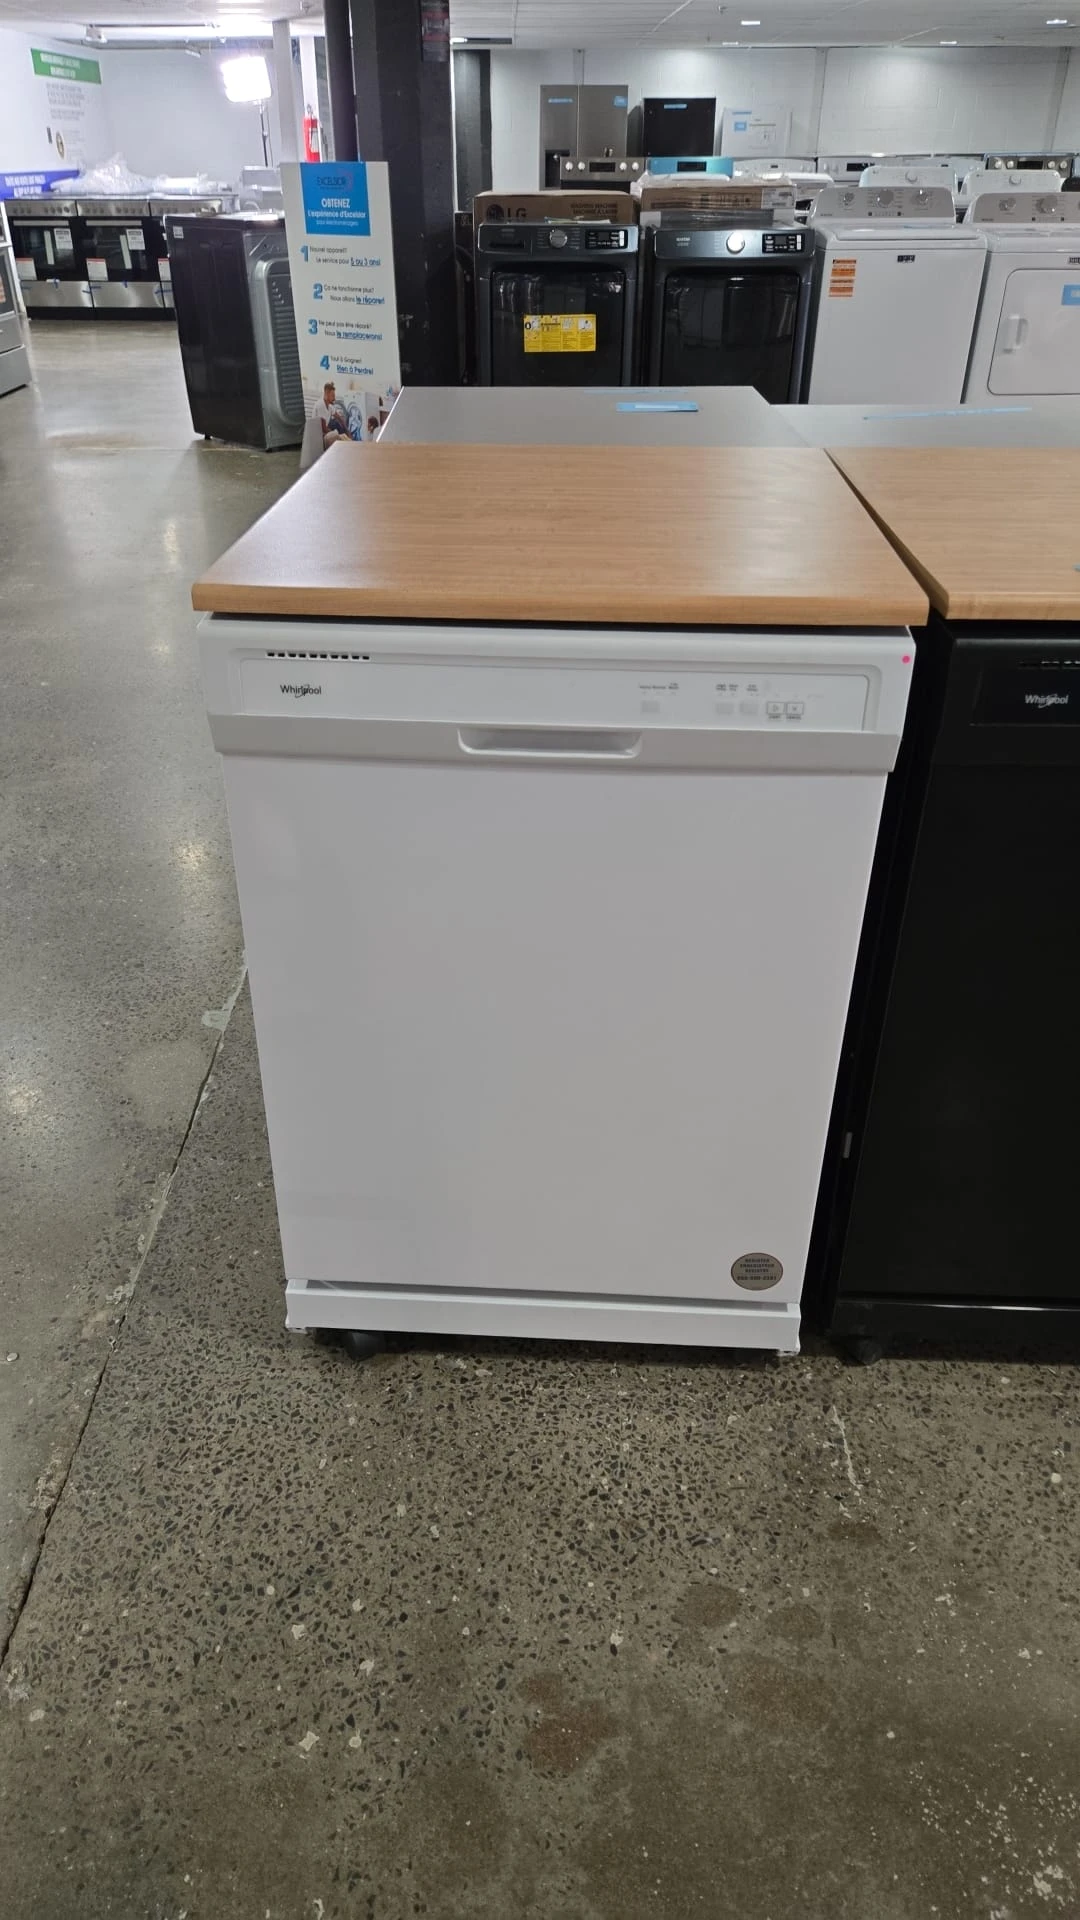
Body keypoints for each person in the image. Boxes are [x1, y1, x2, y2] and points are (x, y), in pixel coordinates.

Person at [314, 381, 348, 450]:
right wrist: (337, 434)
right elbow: (323, 429)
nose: (334, 399)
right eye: (333, 396)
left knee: (342, 433)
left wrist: (347, 431)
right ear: (326, 394)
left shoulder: (330, 406)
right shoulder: (320, 405)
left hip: (325, 433)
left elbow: (340, 419)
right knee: (337, 436)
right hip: (319, 437)